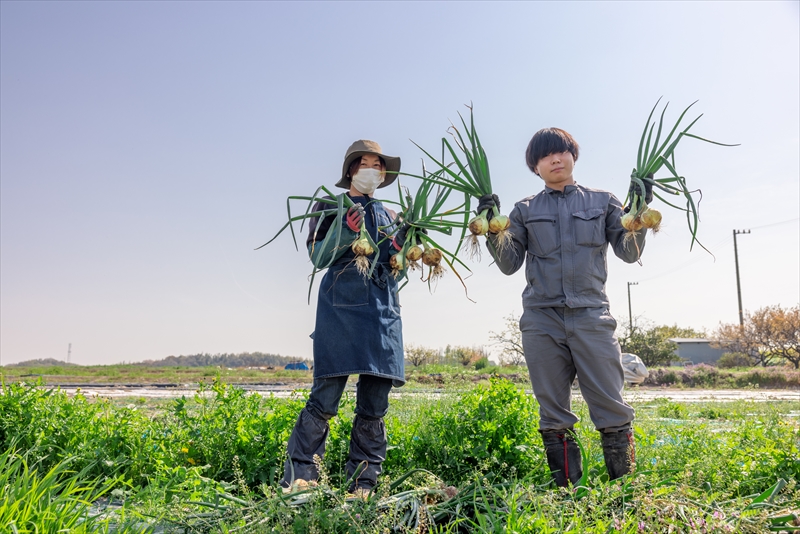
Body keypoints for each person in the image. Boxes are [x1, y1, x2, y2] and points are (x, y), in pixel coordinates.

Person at [478, 128, 651, 487]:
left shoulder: (603, 202)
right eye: (545, 156)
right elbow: (510, 264)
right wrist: (493, 229)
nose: (555, 159)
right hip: (542, 319)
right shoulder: (524, 210)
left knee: (611, 406)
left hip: (591, 315)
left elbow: (629, 252)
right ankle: (566, 496)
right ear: (535, 167)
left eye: (561, 152)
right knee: (553, 412)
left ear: (573, 156)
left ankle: (625, 490)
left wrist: (639, 212)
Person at [280, 139, 405, 497]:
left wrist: (399, 249)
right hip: (339, 310)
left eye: (377, 165)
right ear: (351, 170)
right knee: (324, 399)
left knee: (374, 406)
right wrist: (346, 230)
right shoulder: (328, 206)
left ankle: (361, 486)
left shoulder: (392, 216)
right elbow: (319, 256)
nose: (371, 170)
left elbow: (392, 267)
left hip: (382, 315)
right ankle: (302, 482)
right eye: (364, 163)